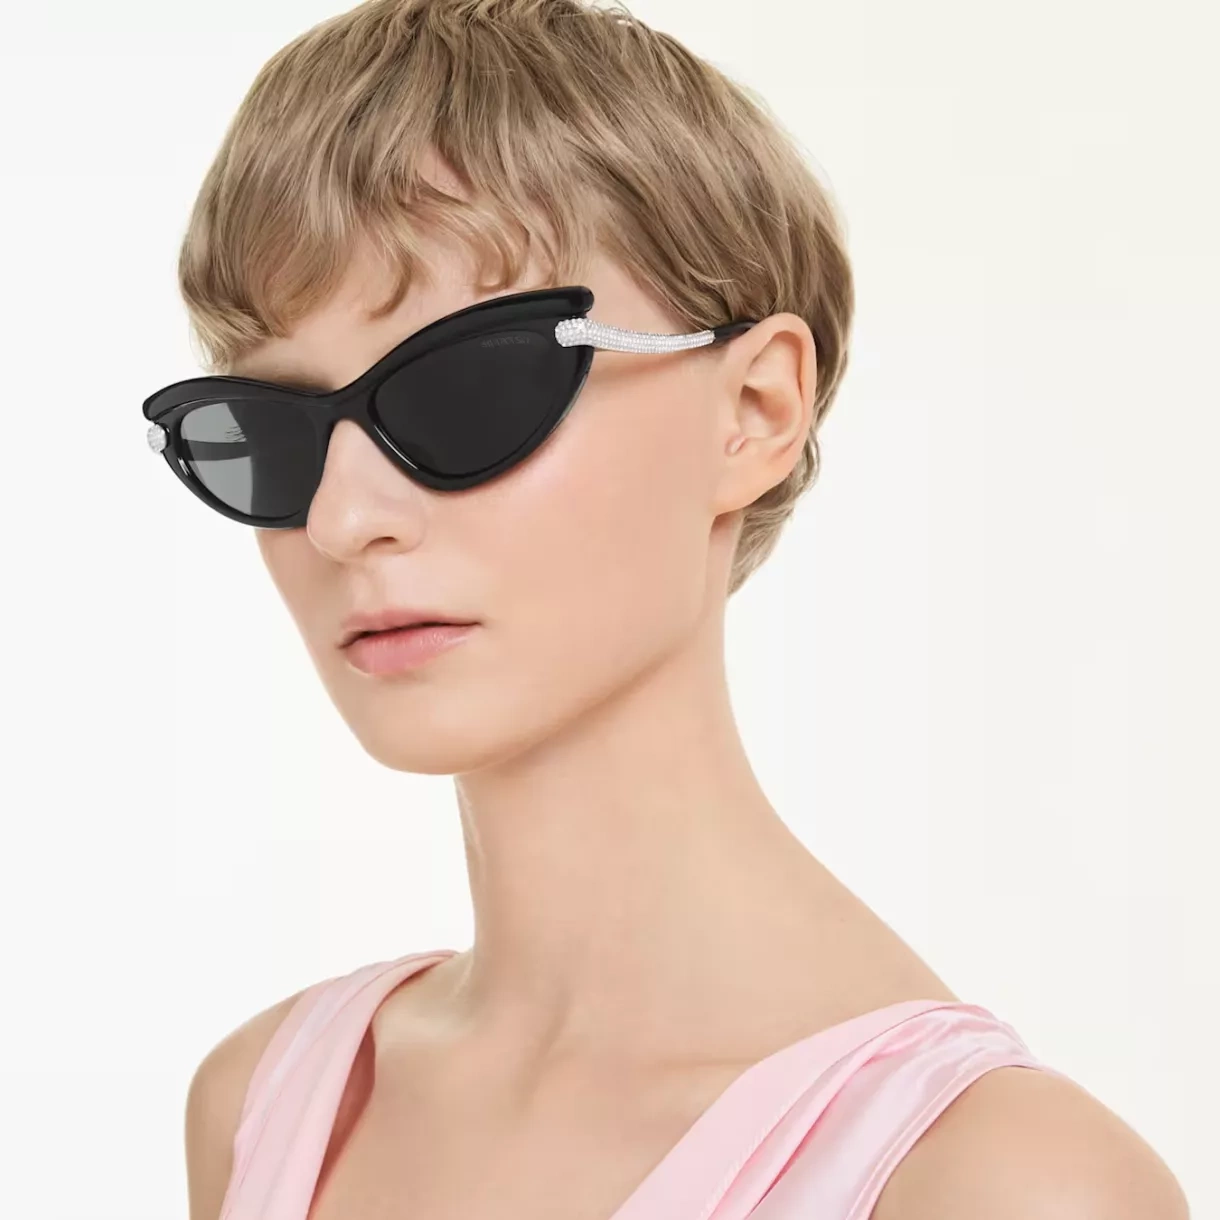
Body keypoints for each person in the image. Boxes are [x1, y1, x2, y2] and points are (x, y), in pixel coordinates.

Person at [151, 1, 1188, 1217]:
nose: (340, 518)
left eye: (464, 389)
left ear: (753, 409)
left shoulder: (993, 1183)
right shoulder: (266, 1101)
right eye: (271, 431)